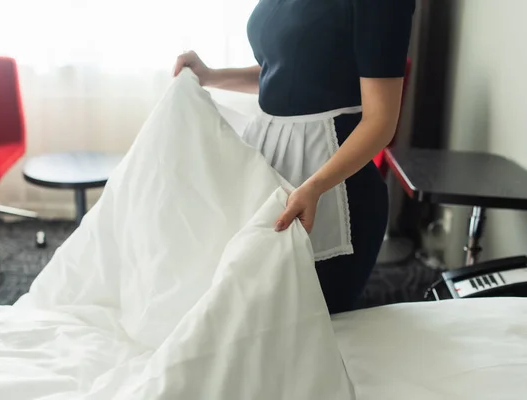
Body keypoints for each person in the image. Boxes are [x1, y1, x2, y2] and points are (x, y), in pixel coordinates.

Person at [174, 0, 415, 314]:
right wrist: (210, 75)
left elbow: (381, 121)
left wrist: (315, 186)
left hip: (331, 191)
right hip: (268, 175)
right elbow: (287, 68)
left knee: (305, 332)